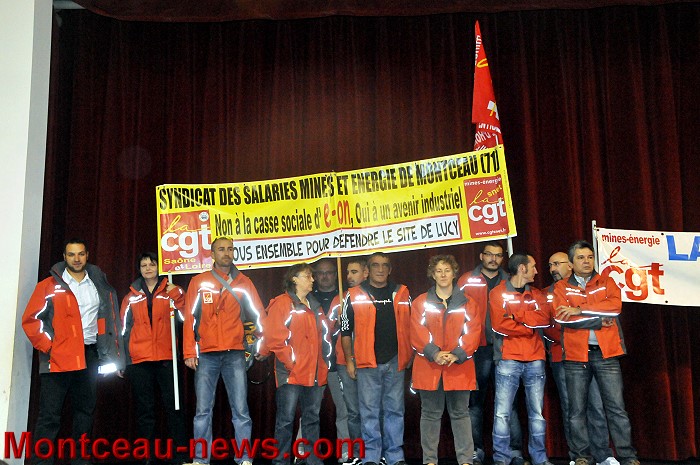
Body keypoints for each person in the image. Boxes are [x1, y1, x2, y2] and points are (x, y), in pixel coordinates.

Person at [22, 239, 124, 465]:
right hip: (58, 358)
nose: (76, 259)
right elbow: (31, 320)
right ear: (64, 257)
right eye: (71, 254)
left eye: (80, 254)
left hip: (89, 356)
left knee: (85, 414)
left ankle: (80, 461)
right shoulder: (48, 285)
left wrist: (111, 354)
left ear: (87, 255)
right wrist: (50, 347)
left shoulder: (99, 285)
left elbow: (108, 321)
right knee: (49, 416)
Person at [554, 241, 639, 465]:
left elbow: (615, 308)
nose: (586, 261)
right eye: (581, 258)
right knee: (576, 411)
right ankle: (581, 456)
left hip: (606, 354)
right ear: (571, 263)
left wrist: (579, 310)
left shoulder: (607, 281)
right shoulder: (562, 287)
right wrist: (598, 321)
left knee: (616, 409)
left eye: (590, 257)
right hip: (576, 356)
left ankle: (627, 457)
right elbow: (562, 318)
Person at [183, 237, 265, 465]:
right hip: (206, 354)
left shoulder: (244, 282)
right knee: (202, 411)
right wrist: (189, 351)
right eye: (221, 249)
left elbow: (259, 315)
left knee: (241, 410)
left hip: (234, 353)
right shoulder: (199, 282)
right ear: (212, 254)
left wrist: (262, 346)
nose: (226, 253)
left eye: (230, 249)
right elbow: (189, 318)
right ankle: (200, 459)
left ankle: (245, 458)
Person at [544, 252, 616, 465]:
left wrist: (578, 318)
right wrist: (592, 324)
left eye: (557, 264)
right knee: (572, 409)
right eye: (550, 265)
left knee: (597, 406)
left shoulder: (591, 288)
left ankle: (603, 454)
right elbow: (552, 324)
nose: (552, 269)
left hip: (592, 352)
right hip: (563, 356)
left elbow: (605, 315)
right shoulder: (548, 293)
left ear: (570, 265)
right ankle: (579, 456)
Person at [340, 252, 412, 465]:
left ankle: (394, 456)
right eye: (375, 265)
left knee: (395, 410)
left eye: (384, 265)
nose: (380, 269)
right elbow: (345, 331)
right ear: (367, 270)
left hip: (396, 361)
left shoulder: (402, 292)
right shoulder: (353, 294)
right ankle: (370, 456)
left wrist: (409, 355)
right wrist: (350, 360)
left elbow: (413, 324)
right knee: (369, 412)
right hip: (367, 362)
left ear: (390, 269)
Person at [457, 241, 523, 465]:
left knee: (509, 404)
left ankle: (513, 452)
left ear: (503, 258)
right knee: (474, 403)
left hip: (507, 348)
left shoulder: (511, 281)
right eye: (489, 254)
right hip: (477, 350)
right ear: (481, 256)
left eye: (498, 255)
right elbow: (456, 314)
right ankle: (476, 450)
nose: (493, 259)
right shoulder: (466, 280)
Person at [410, 255, 480, 465]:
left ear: (454, 273)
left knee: (460, 414)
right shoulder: (421, 302)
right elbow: (416, 331)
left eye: (447, 270)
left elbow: (473, 331)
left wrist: (457, 354)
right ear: (432, 274)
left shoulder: (468, 302)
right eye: (439, 271)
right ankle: (429, 461)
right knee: (430, 415)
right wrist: (435, 353)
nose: (443, 275)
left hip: (459, 366)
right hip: (429, 366)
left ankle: (465, 461)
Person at [120, 252, 188, 464]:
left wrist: (177, 296)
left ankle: (179, 455)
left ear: (159, 267)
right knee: (145, 411)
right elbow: (122, 330)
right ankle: (146, 456)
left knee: (174, 408)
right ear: (139, 269)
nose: (148, 268)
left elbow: (187, 318)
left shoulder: (172, 291)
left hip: (167, 358)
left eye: (152, 264)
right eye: (144, 265)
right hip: (140, 360)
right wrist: (122, 360)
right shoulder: (131, 297)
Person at [264, 263, 333, 465]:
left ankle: (313, 461)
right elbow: (275, 338)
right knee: (285, 421)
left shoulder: (315, 305)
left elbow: (325, 336)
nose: (313, 280)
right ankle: (280, 461)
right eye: (308, 276)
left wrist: (325, 362)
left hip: (315, 374)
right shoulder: (282, 303)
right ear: (294, 279)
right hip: (292, 374)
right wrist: (291, 364)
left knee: (312, 419)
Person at [489, 252, 552, 465]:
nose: (537, 271)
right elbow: (499, 325)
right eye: (533, 266)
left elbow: (544, 319)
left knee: (537, 414)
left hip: (535, 358)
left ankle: (539, 458)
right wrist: (528, 327)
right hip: (508, 358)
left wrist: (516, 316)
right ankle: (501, 458)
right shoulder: (498, 293)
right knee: (502, 413)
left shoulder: (537, 294)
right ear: (522, 268)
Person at [310, 258, 351, 463]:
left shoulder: (346, 297)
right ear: (314, 276)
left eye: (329, 272)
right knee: (310, 410)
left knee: (345, 409)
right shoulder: (306, 298)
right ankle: (303, 451)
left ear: (336, 275)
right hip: (313, 363)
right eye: (321, 273)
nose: (325, 276)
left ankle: (346, 452)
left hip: (339, 362)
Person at [335, 257, 369, 464]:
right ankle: (357, 452)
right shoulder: (340, 298)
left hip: (370, 361)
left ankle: (375, 451)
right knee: (353, 411)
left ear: (366, 273)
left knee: (373, 410)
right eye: (347, 272)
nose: (349, 276)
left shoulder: (374, 296)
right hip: (344, 361)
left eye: (354, 272)